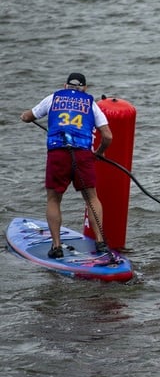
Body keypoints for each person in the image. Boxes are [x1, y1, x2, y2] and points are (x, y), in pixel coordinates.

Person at [20, 73, 113, 257]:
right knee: (91, 198)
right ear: (84, 88)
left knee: (54, 199)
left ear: (65, 85)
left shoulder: (52, 98)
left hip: (58, 154)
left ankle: (56, 247)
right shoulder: (90, 103)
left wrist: (24, 116)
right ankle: (101, 243)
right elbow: (108, 135)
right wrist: (100, 152)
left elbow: (29, 116)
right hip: (83, 155)